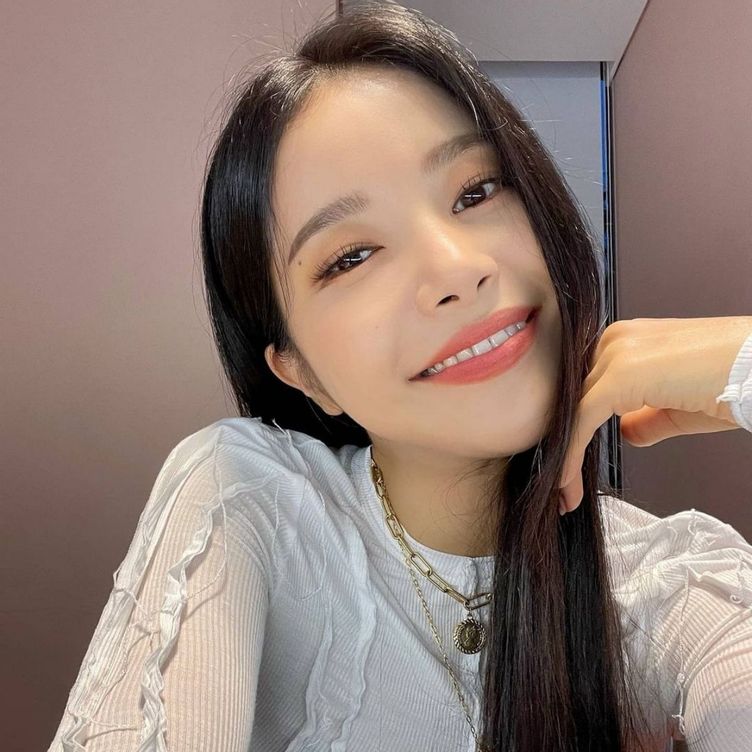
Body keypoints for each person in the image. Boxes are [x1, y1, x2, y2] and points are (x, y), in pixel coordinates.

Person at [47, 2, 752, 750]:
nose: (456, 269)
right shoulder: (248, 501)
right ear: (300, 372)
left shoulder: (677, 581)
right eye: (351, 257)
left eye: (476, 192)